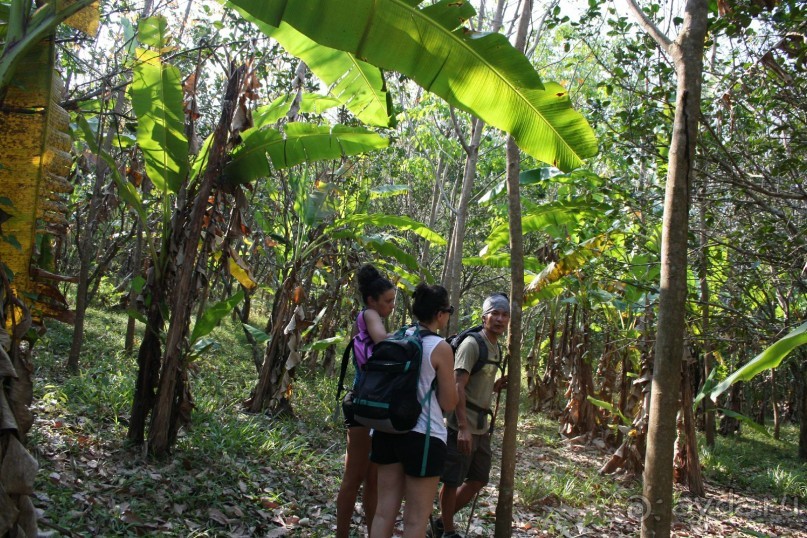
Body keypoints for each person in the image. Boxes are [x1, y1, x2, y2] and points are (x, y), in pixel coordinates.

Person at [370, 284, 458, 538]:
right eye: (448, 311)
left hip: (387, 429)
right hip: (424, 436)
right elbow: (449, 403)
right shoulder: (440, 347)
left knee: (383, 512)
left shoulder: (396, 336)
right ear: (440, 314)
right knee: (415, 520)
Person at [429, 293, 510, 538]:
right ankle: (448, 531)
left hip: (481, 427)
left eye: (504, 315)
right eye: (495, 314)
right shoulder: (472, 344)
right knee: (452, 479)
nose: (500, 319)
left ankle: (440, 523)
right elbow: (457, 385)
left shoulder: (496, 347)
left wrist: (495, 386)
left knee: (478, 478)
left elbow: (475, 382)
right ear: (484, 317)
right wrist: (463, 427)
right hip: (461, 425)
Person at [336, 264, 396, 538]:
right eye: (388, 301)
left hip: (373, 406)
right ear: (372, 300)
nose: (391, 306)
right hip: (363, 404)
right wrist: (405, 337)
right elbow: (382, 341)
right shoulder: (369, 314)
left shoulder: (374, 315)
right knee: (354, 477)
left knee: (372, 479)